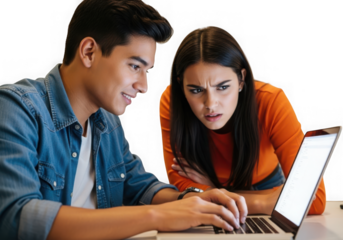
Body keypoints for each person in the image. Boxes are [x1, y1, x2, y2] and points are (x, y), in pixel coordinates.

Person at [0, 2, 249, 240]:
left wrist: (192, 202)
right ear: (89, 52)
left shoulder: (107, 124)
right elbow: (16, 216)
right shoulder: (16, 108)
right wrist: (157, 216)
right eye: (134, 66)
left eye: (146, 71)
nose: (143, 87)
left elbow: (139, 186)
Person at [159, 25, 326, 216]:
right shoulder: (171, 102)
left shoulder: (271, 101)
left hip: (264, 183)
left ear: (241, 80)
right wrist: (262, 203)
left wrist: (214, 192)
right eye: (196, 90)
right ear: (181, 86)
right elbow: (182, 190)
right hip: (253, 194)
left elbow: (316, 201)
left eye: (222, 87)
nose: (211, 104)